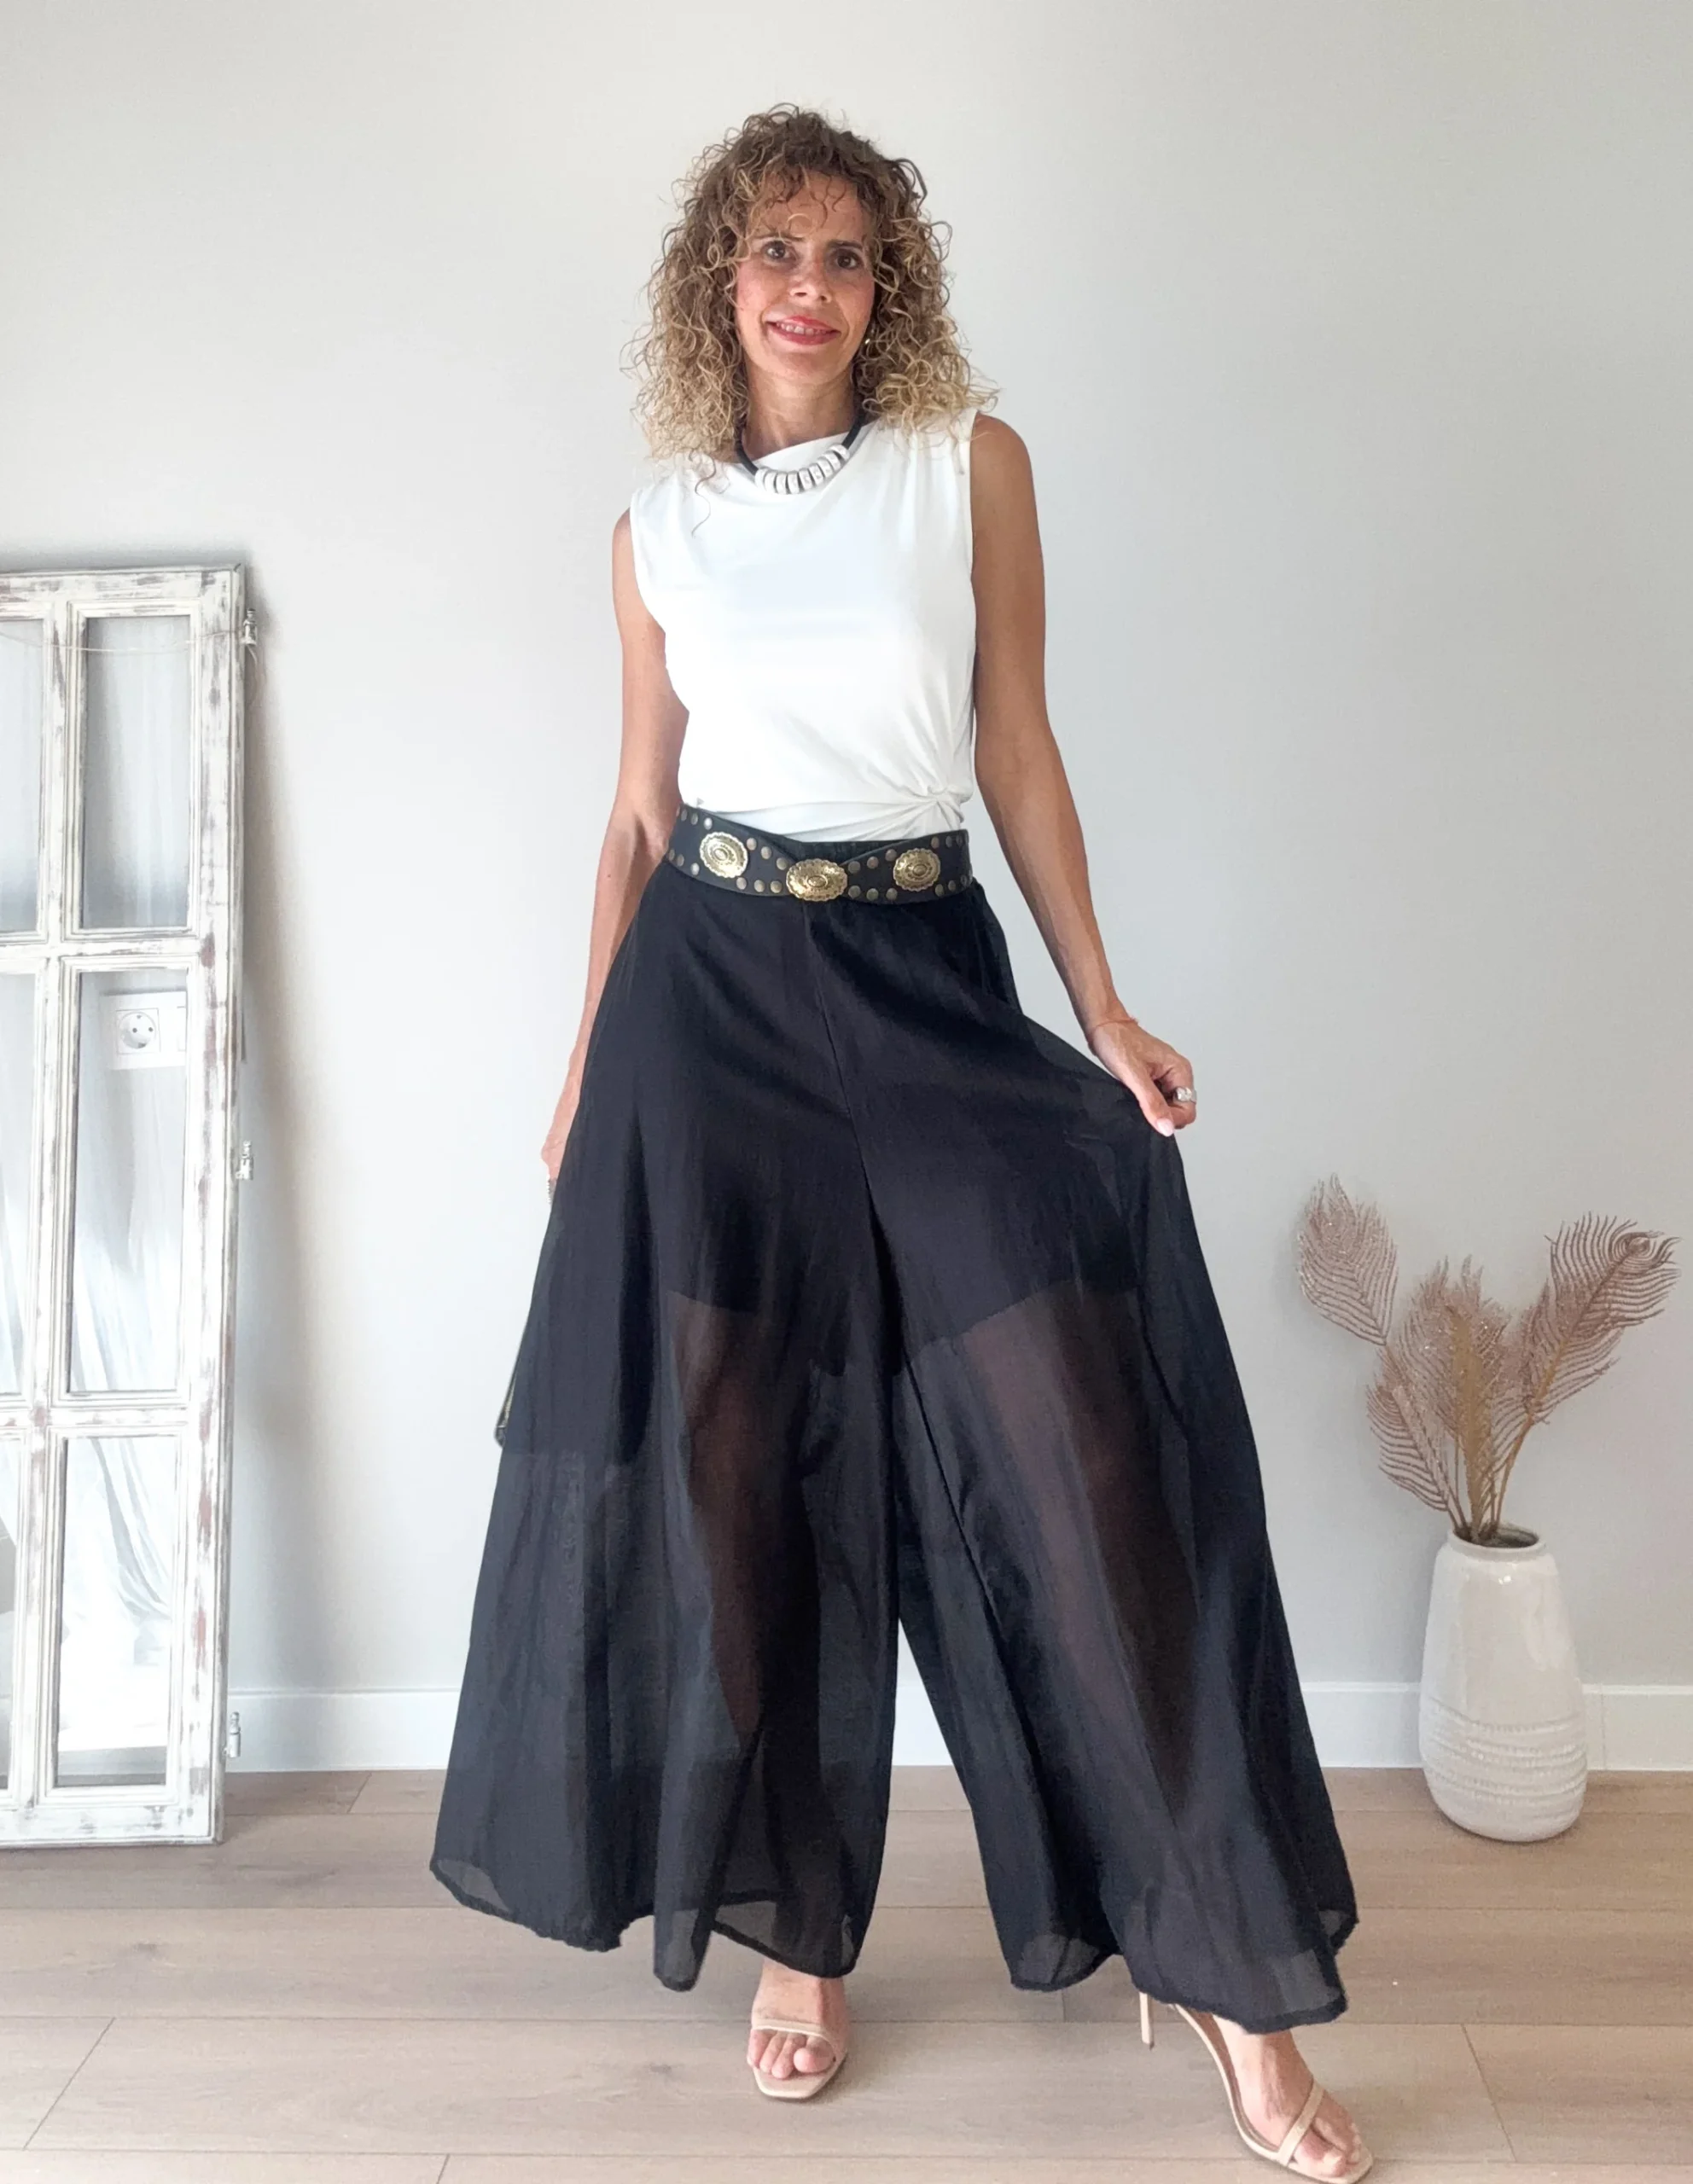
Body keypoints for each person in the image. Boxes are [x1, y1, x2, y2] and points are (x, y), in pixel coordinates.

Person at [433, 104, 1370, 2181]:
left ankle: (1221, 1970)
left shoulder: (968, 469)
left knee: (1088, 1454)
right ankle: (803, 1929)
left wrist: (1099, 1004)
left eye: (848, 255)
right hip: (708, 1008)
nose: (810, 286)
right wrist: (583, 1057)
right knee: (740, 1474)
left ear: (890, 289)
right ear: (719, 278)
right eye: (776, 249)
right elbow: (638, 814)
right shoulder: (656, 528)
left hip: (925, 977)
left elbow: (1014, 740)